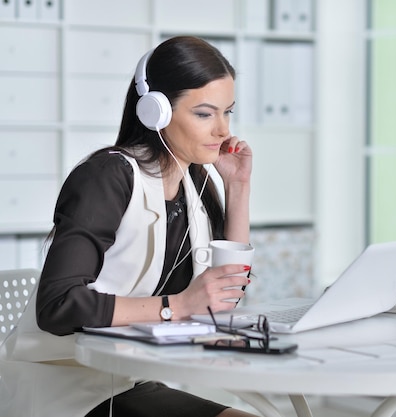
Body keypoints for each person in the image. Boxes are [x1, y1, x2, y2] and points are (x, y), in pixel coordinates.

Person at [0, 36, 259, 417]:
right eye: (205, 113)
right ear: (158, 112)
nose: (222, 130)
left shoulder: (197, 185)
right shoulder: (107, 176)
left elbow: (223, 298)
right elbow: (57, 306)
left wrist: (237, 187)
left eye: (228, 113)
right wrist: (177, 306)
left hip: (126, 380)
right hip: (64, 387)